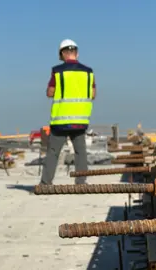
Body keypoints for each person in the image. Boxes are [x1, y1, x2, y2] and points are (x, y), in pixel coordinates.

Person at [39, 39, 96, 185]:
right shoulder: (88, 72)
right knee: (80, 152)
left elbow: (50, 92)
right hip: (80, 120)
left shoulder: (57, 71)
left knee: (53, 152)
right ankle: (81, 182)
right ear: (76, 53)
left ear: (63, 54)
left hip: (61, 121)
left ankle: (46, 183)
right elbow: (93, 94)